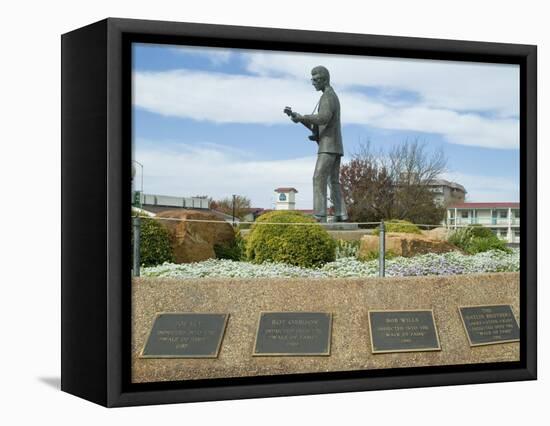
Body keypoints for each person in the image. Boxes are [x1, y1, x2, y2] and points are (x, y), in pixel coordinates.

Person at [289, 65, 348, 222]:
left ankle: (319, 215)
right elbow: (319, 126)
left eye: (315, 79)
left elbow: (323, 118)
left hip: (328, 146)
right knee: (332, 180)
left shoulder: (328, 96)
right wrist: (300, 119)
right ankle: (341, 213)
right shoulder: (329, 96)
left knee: (318, 178)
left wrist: (304, 117)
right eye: (312, 79)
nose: (313, 82)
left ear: (324, 79)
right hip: (335, 146)